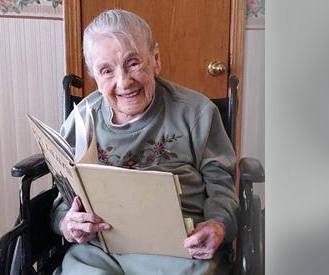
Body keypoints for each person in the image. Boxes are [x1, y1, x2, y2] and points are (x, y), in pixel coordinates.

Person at [49, 9, 238, 274]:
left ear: (156, 60)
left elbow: (222, 185)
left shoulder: (198, 112)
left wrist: (219, 224)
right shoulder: (82, 119)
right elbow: (63, 197)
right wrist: (67, 223)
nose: (124, 82)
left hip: (179, 248)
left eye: (133, 63)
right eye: (106, 70)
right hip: (100, 248)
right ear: (94, 75)